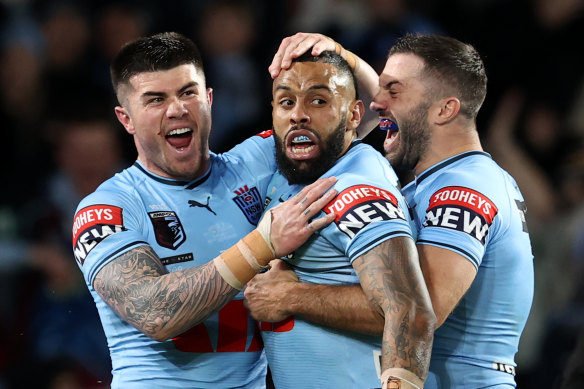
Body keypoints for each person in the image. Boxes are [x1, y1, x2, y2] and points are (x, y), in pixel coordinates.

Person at [249, 32, 534, 388]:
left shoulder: (462, 190)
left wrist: (291, 295)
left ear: (445, 109)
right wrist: (339, 54)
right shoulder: (445, 181)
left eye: (394, 91)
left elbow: (418, 308)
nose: (377, 103)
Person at [71, 31, 337, 388]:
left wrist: (338, 56)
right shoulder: (107, 209)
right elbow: (155, 313)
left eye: (188, 92)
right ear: (126, 118)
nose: (177, 109)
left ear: (209, 99)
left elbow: (352, 116)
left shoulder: (254, 165)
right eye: (155, 99)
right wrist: (264, 244)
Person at [244, 47, 436, 388]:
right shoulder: (297, 173)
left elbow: (410, 314)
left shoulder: (356, 190)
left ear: (353, 116)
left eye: (319, 101)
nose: (298, 115)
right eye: (287, 103)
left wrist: (290, 298)